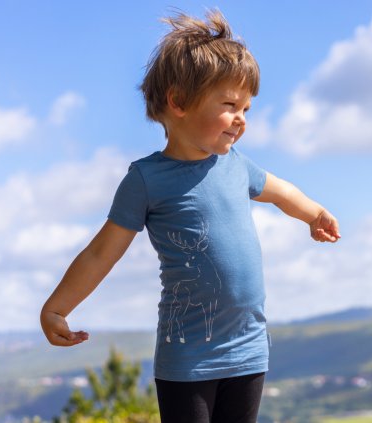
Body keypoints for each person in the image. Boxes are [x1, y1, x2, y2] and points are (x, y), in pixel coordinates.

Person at [40, 9, 341, 423]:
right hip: (188, 360)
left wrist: (314, 214)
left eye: (247, 108)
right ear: (178, 102)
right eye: (231, 104)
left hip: (249, 350)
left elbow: (281, 192)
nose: (241, 119)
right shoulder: (147, 179)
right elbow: (100, 254)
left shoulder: (236, 165)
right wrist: (56, 309)